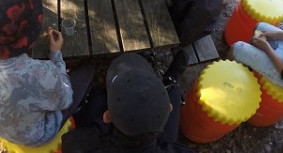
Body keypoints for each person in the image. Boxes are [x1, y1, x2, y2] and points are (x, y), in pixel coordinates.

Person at [0, 0, 94, 147]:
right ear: (27, 38)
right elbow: (65, 100)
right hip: (35, 136)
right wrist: (56, 54)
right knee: (87, 70)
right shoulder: (37, 75)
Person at [61, 52, 192, 153]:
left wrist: (101, 127)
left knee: (97, 98)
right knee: (173, 93)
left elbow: (68, 142)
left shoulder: (83, 147)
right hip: (155, 143)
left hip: (111, 137)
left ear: (107, 117)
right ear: (169, 109)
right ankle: (168, 82)